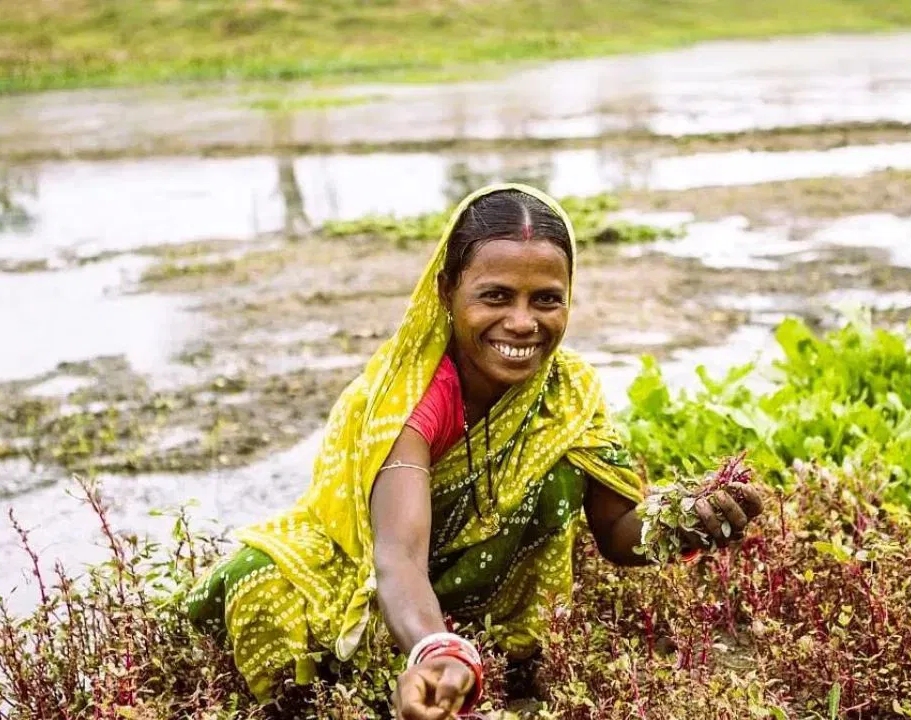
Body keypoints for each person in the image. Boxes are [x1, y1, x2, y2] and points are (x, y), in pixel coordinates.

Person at [187, 183, 765, 719]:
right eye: (494, 296)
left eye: (546, 300)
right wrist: (436, 652)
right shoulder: (412, 400)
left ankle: (495, 652)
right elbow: (398, 557)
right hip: (373, 582)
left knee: (559, 472)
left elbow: (617, 532)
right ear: (447, 290)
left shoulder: (570, 394)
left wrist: (686, 518)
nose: (521, 322)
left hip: (469, 616)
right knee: (260, 584)